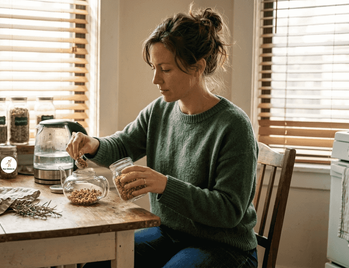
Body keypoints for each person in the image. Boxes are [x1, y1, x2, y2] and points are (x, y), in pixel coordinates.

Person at [66, 4, 258, 268]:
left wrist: (165, 185)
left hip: (225, 246)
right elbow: (123, 145)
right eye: (154, 68)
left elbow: (228, 212)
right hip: (170, 234)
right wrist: (93, 144)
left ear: (197, 67)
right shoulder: (160, 110)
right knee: (98, 259)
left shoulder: (234, 126)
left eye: (165, 69)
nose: (156, 79)